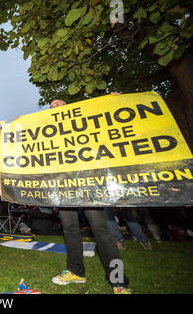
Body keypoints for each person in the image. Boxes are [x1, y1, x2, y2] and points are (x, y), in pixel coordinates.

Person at [48, 98, 132, 294]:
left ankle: (118, 280)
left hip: (87, 182)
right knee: (69, 228)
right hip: (63, 184)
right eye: (51, 106)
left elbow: (104, 121)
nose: (55, 107)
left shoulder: (82, 122)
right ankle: (76, 271)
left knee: (100, 229)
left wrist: (116, 103)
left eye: (58, 104)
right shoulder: (48, 131)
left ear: (68, 108)